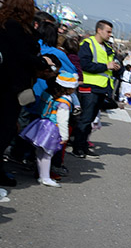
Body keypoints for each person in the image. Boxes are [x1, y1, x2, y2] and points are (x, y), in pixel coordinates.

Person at [0, 0, 46, 187]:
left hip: (11, 86)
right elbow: (21, 57)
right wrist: (43, 62)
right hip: (9, 87)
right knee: (5, 129)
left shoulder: (12, 25)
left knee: (8, 129)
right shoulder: (12, 27)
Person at [19, 70, 78, 187]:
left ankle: (42, 175)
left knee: (40, 153)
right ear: (70, 88)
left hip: (41, 123)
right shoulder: (64, 101)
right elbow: (62, 121)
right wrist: (65, 136)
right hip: (52, 128)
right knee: (48, 154)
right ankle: (45, 177)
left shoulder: (47, 93)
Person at [72, 20, 120, 159]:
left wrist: (116, 66)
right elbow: (84, 64)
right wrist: (106, 66)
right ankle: (77, 147)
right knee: (85, 118)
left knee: (91, 119)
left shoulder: (107, 47)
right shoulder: (87, 44)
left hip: (101, 87)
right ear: (99, 30)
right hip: (89, 86)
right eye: (108, 31)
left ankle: (83, 145)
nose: (110, 35)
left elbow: (111, 65)